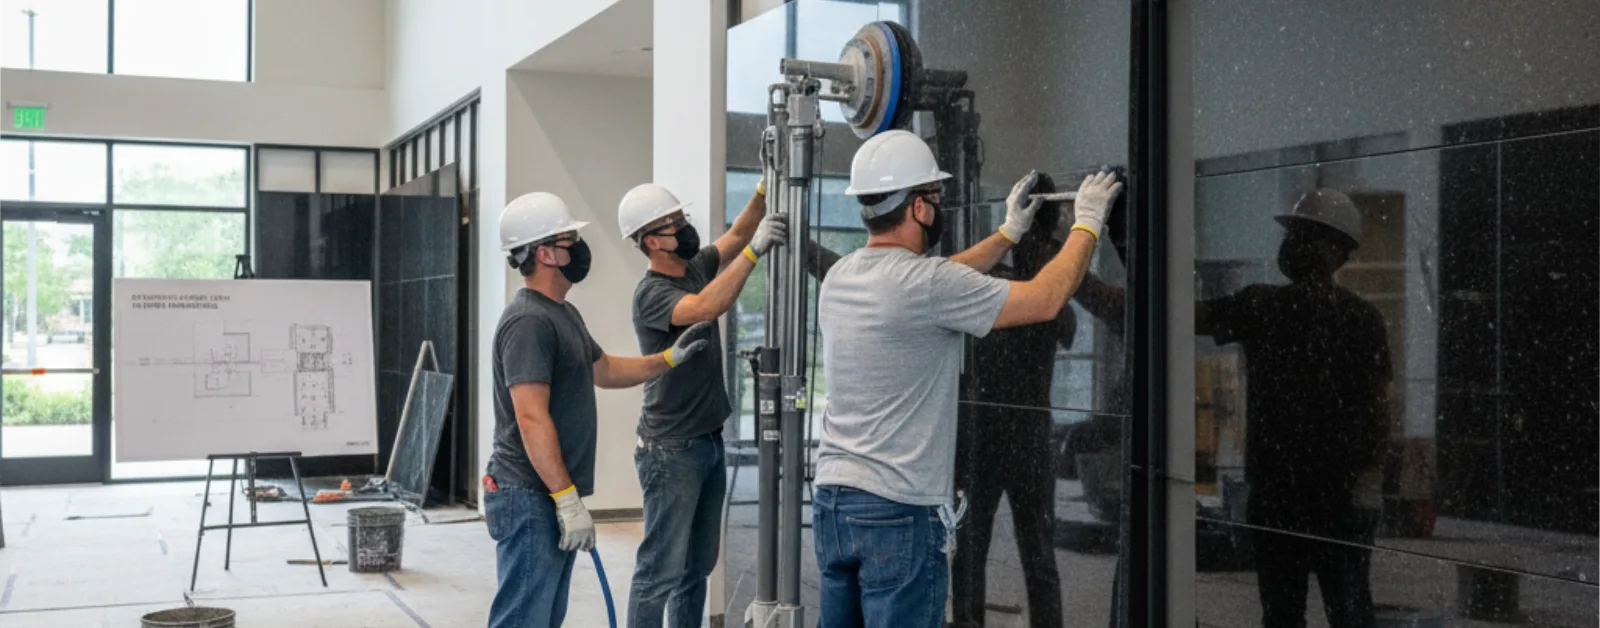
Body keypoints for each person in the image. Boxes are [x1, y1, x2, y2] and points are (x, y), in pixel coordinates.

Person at [812, 128, 1123, 628]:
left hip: (833, 501)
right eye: (934, 197)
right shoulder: (927, 284)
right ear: (918, 208)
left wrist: (1009, 234)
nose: (938, 207)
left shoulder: (842, 276)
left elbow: (944, 279)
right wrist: (1086, 224)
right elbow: (1046, 299)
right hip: (897, 508)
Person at [1074, 188, 1390, 628]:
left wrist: (1071, 273)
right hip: (1320, 496)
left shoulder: (1270, 307)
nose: (1291, 245)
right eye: (1293, 234)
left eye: (1303, 235)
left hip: (1293, 495)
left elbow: (1162, 314)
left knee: (1296, 615)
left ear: (1336, 251)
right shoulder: (1345, 317)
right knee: (1339, 613)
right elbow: (1378, 412)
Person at [484, 192, 717, 628]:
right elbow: (531, 417)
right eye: (569, 240)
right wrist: (565, 499)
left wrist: (668, 359)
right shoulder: (528, 322)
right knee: (525, 618)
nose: (579, 248)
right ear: (545, 253)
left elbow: (604, 369)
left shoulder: (561, 312)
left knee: (544, 616)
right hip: (528, 494)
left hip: (545, 493)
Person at [617, 182, 788, 628]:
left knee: (697, 568)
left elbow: (736, 235)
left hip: (708, 441)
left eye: (681, 218)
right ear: (652, 241)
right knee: (660, 571)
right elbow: (705, 306)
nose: (683, 227)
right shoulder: (651, 293)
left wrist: (763, 188)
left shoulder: (693, 266)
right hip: (670, 449)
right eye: (672, 224)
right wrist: (754, 252)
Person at [950, 174, 1078, 628]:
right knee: (1028, 554)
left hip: (992, 437)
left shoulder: (1002, 288)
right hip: (1019, 438)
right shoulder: (1037, 294)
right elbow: (1064, 322)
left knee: (977, 551)